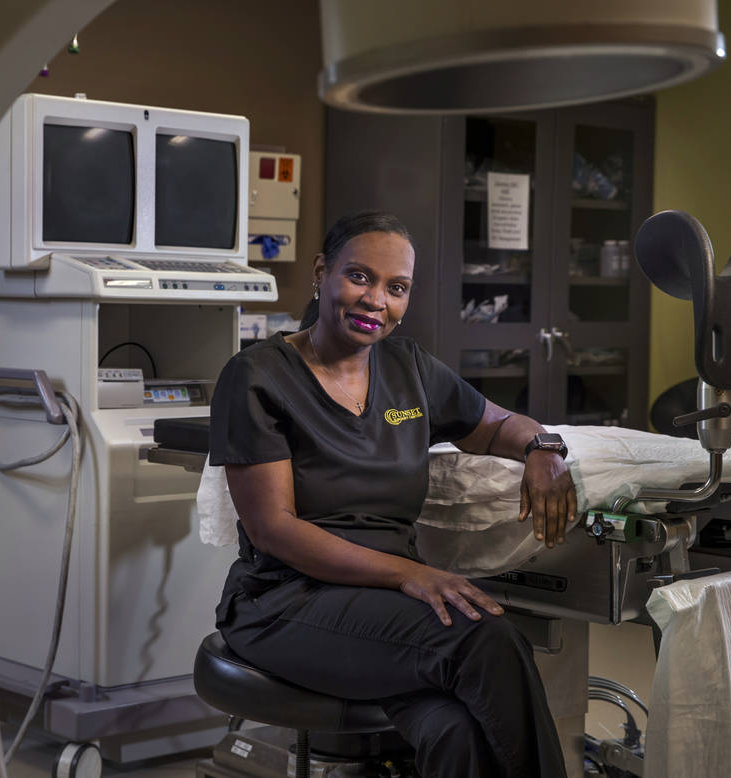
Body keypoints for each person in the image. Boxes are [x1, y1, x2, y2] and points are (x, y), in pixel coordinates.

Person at [208, 211, 576, 778]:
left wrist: (544, 450)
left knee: (456, 730)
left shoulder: (410, 371)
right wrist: (410, 574)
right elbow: (273, 529)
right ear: (321, 273)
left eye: (395, 287)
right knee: (487, 641)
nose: (375, 300)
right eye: (359, 277)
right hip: (284, 603)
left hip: (382, 607)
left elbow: (499, 424)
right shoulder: (257, 376)